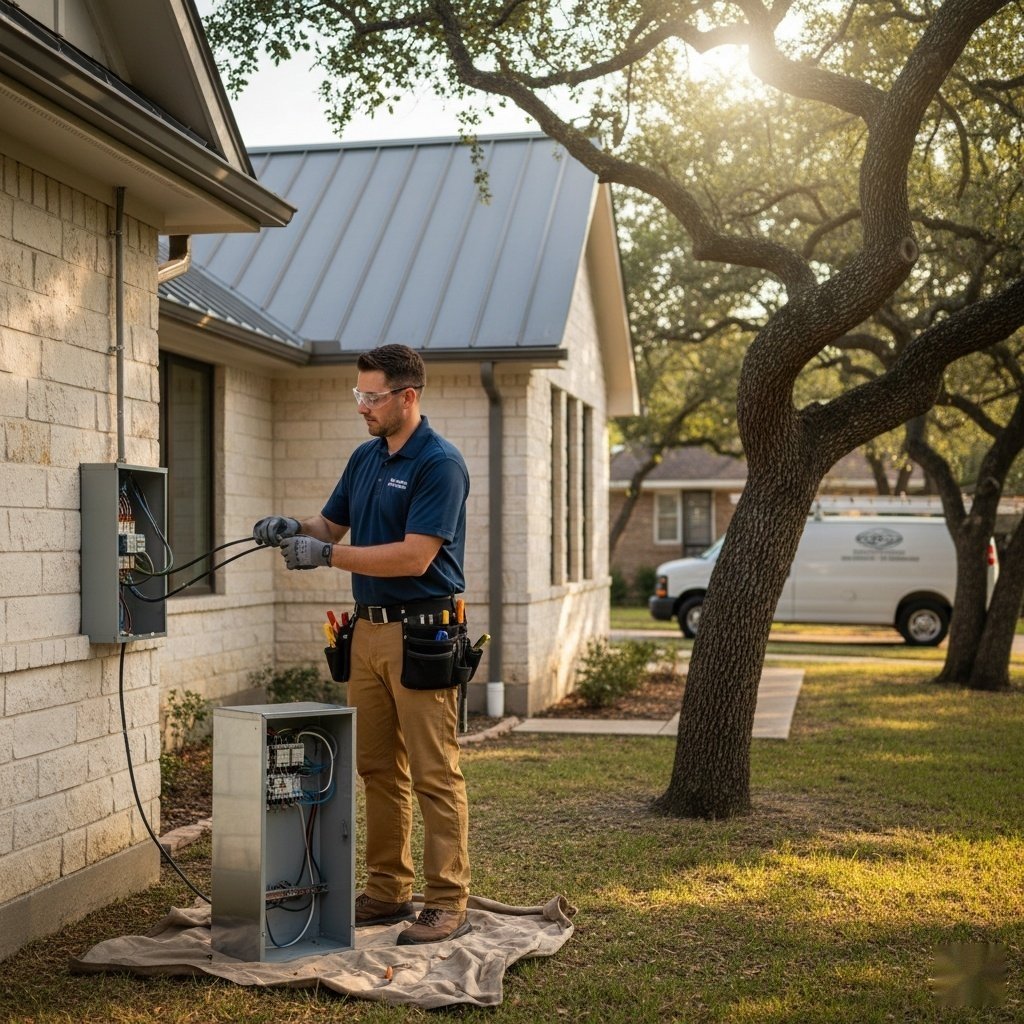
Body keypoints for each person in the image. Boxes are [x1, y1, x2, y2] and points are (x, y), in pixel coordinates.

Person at [252, 344, 472, 946]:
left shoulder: (439, 464)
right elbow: (330, 527)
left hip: (425, 633)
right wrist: (293, 529)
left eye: (372, 397)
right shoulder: (365, 457)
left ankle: (448, 901)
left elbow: (415, 554)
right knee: (377, 767)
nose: (362, 407)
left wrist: (327, 555)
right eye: (358, 396)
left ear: (408, 395)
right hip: (367, 631)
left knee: (434, 772)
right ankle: (388, 890)